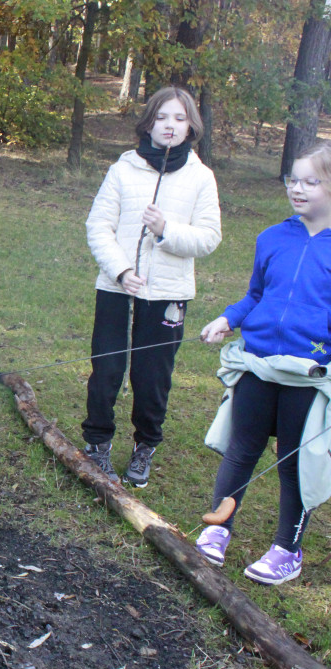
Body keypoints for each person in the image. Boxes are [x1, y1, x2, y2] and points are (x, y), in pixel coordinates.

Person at [195, 141, 331, 585]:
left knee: (292, 462)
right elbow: (256, 295)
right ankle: (218, 530)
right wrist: (227, 319)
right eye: (294, 179)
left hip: (306, 376)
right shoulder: (271, 238)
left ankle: (287, 550)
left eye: (312, 181)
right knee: (241, 451)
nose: (299, 188)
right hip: (258, 365)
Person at [82, 86, 221, 486]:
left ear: (191, 125)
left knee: (152, 375)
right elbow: (99, 226)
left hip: (168, 294)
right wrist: (122, 271)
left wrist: (166, 231)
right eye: (162, 117)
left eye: (179, 118)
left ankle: (146, 444)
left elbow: (209, 237)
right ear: (149, 122)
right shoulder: (123, 168)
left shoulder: (200, 177)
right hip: (116, 287)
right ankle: (97, 443)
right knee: (107, 368)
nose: (170, 126)